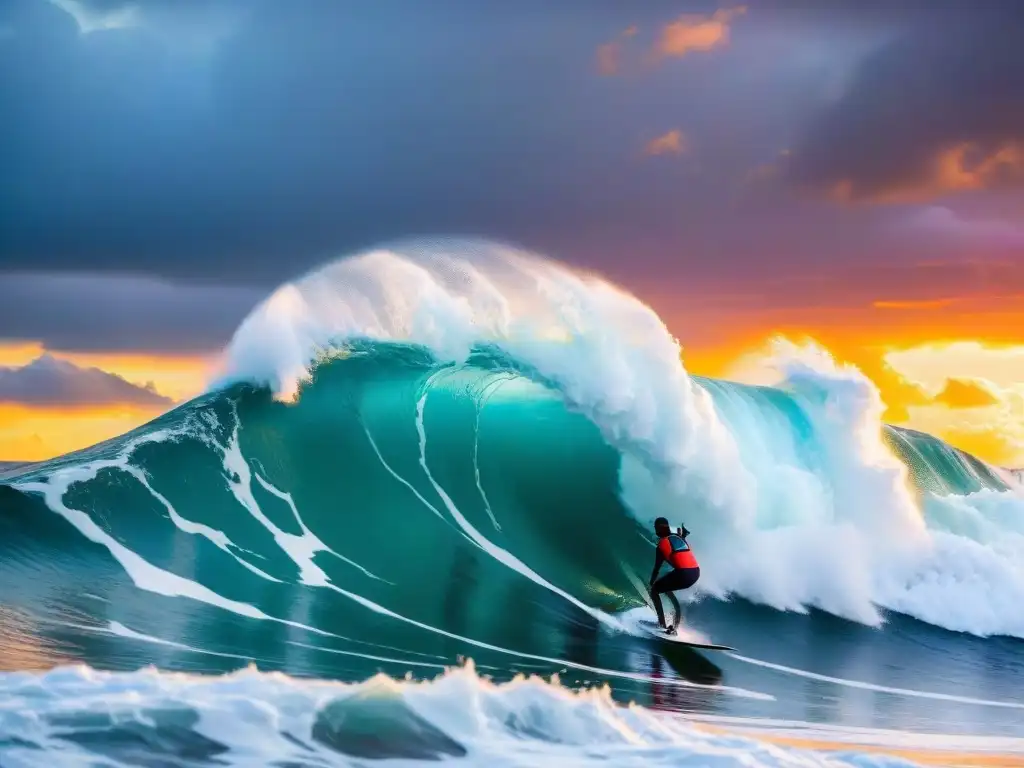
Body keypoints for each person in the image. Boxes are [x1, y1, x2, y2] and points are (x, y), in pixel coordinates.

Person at [649, 517, 700, 634]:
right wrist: (683, 534)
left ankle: (661, 625)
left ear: (660, 528)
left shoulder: (662, 545)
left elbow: (657, 568)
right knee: (666, 588)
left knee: (655, 591)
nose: (655, 531)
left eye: (656, 528)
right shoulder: (678, 539)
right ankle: (676, 623)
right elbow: (682, 540)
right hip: (695, 573)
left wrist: (651, 583)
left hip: (683, 573)